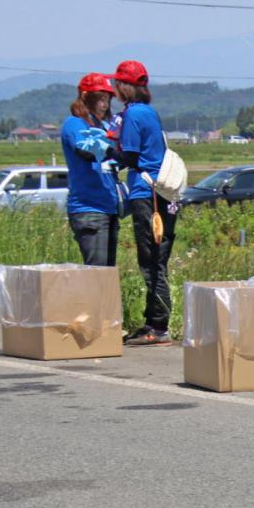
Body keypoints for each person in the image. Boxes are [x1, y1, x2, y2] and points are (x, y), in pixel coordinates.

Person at [110, 60, 176, 346]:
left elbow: (131, 156)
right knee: (156, 258)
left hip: (146, 193)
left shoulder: (133, 115)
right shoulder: (149, 112)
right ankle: (152, 319)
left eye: (116, 84)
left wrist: (108, 150)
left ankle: (159, 325)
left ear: (124, 87)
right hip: (161, 194)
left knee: (151, 260)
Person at [60, 73, 120, 266]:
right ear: (86, 97)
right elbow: (84, 151)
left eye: (107, 99)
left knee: (108, 273)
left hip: (109, 208)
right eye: (100, 99)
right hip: (89, 209)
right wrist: (106, 150)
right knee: (97, 273)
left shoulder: (103, 126)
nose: (105, 105)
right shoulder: (74, 123)